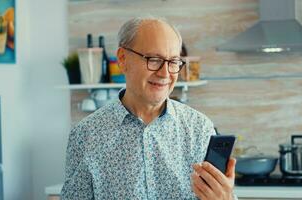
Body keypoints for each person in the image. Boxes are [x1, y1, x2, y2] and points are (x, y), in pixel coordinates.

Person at [61, 17, 237, 200]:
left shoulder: (199, 129)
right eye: (154, 59)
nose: (165, 73)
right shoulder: (85, 135)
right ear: (123, 59)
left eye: (173, 62)